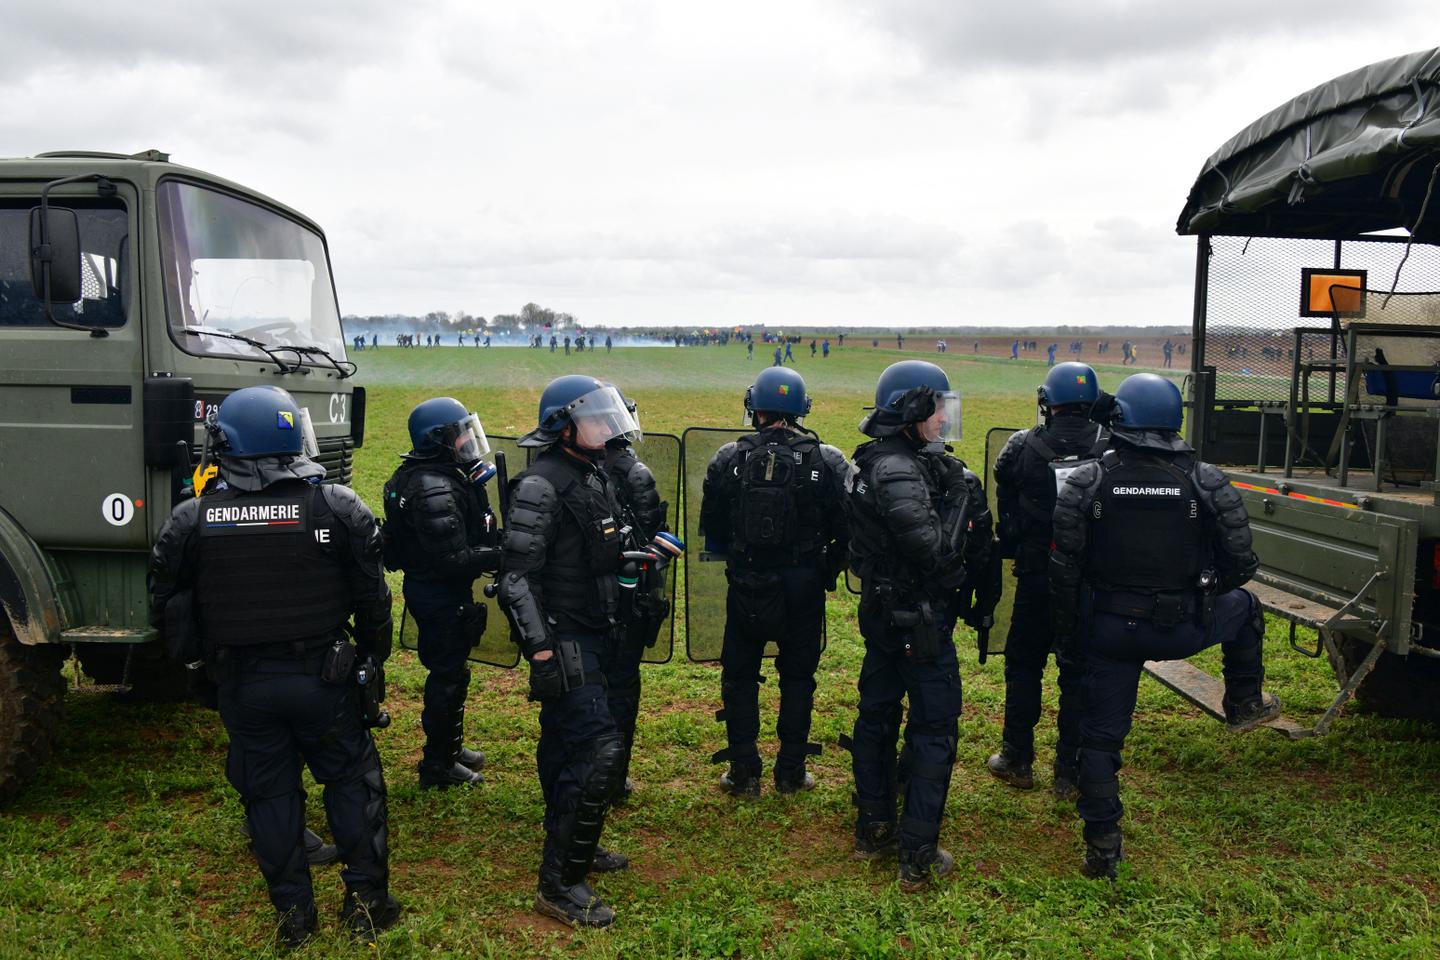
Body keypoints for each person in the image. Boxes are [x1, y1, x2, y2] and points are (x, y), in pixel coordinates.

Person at [148, 386, 398, 948]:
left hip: (244, 684)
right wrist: (369, 661)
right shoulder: (337, 505)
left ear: (225, 443)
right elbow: (374, 602)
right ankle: (366, 907)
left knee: (269, 797)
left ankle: (295, 919)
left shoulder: (192, 519)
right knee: (354, 785)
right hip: (325, 680)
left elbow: (169, 610)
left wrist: (205, 672)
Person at [1050, 373, 1280, 879]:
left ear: (1120, 419)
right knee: (1246, 605)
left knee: (1101, 740)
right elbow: (1242, 565)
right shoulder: (1206, 478)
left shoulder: (1087, 480)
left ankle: (1103, 850)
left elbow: (1064, 569)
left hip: (1111, 632)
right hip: (1185, 627)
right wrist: (1197, 591)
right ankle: (1243, 702)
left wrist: (1073, 632)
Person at [497, 376, 649, 928]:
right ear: (564, 426)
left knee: (564, 746)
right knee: (600, 750)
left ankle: (569, 843)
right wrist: (541, 653)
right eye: (596, 418)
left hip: (595, 631)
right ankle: (559, 883)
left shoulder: (594, 475)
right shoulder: (541, 485)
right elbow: (516, 580)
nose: (608, 427)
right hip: (563, 639)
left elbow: (591, 555)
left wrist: (632, 558)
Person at [843, 360, 993, 891]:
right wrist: (958, 503)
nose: (942, 420)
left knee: (878, 715)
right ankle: (917, 856)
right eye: (935, 410)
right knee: (933, 728)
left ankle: (874, 827)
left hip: (886, 614)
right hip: (918, 620)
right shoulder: (897, 469)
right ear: (911, 412)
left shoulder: (884, 460)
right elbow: (937, 557)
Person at [699, 368, 850, 798]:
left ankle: (744, 774)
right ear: (801, 408)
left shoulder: (728, 457)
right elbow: (852, 528)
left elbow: (712, 531)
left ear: (755, 408)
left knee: (740, 676)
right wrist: (825, 568)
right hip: (803, 587)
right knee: (798, 678)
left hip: (746, 585)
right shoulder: (828, 459)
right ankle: (791, 772)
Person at [986, 363, 1109, 800]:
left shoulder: (1021, 446)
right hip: (1089, 582)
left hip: (1038, 575)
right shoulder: (1109, 448)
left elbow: (1007, 506)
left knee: (1023, 665)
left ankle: (1017, 759)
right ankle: (1068, 772)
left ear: (1047, 401)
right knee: (1078, 673)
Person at [381, 398, 500, 788]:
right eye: (459, 433)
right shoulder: (432, 485)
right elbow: (453, 558)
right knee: (447, 677)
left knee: (452, 673)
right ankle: (438, 765)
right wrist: (504, 553)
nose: (468, 439)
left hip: (437, 589)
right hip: (438, 593)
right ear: (438, 440)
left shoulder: (433, 475)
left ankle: (449, 746)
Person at [601, 390, 682, 805]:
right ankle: (612, 779)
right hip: (627, 600)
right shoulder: (635, 472)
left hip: (581, 602)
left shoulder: (563, 467)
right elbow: (653, 538)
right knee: (621, 688)